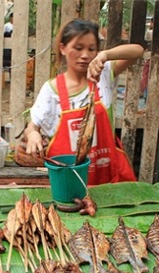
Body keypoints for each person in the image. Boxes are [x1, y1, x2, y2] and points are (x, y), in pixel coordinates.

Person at [20, 19, 143, 184]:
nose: (85, 55)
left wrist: (106, 55)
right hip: (68, 180)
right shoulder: (52, 90)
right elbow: (32, 126)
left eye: (91, 49)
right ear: (63, 48)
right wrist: (33, 134)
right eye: (78, 48)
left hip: (106, 178)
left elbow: (138, 50)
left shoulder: (104, 75)